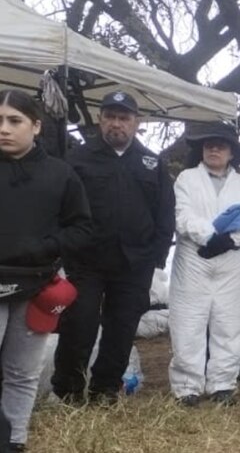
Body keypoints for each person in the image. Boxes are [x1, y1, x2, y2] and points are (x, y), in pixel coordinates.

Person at [51, 91, 175, 406]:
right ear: (100, 120)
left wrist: (155, 258)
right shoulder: (77, 159)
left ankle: (105, 391)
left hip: (134, 264)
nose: (116, 124)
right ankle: (69, 392)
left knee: (120, 332)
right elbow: (59, 208)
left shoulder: (152, 164)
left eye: (124, 118)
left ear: (137, 123)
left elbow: (164, 214)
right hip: (86, 261)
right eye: (110, 117)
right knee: (79, 328)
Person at [0, 89, 93, 451]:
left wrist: (45, 246)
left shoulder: (61, 174)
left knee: (23, 373)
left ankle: (15, 441)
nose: (4, 129)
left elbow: (83, 228)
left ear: (36, 126)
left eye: (14, 120)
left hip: (36, 285)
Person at [170, 121, 240, 407]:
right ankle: (187, 386)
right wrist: (209, 236)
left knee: (230, 322)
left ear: (231, 152)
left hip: (230, 260)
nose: (214, 149)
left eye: (221, 145)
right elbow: (181, 214)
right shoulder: (186, 179)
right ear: (202, 149)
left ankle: (223, 383)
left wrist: (232, 241)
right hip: (194, 259)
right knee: (189, 322)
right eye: (209, 144)